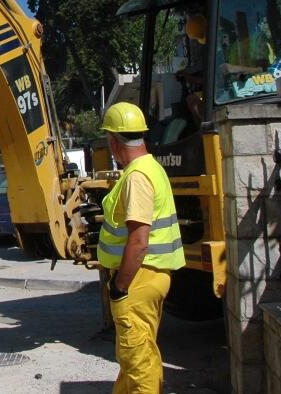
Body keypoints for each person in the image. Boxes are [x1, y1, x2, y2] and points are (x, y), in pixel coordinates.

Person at [98, 102, 185, 393]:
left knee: (138, 361)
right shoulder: (152, 168)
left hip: (137, 278)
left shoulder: (137, 177)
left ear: (113, 142)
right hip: (150, 275)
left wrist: (119, 287)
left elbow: (138, 240)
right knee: (139, 354)